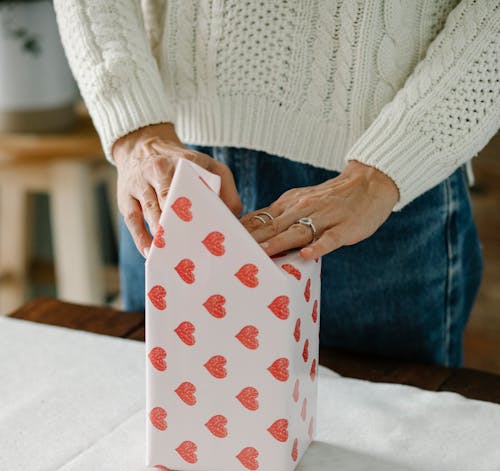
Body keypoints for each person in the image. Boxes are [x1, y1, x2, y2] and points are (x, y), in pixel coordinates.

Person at [54, 1, 499, 366]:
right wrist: (137, 133)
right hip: (172, 171)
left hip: (376, 190)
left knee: (393, 457)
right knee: (174, 448)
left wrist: (383, 172)